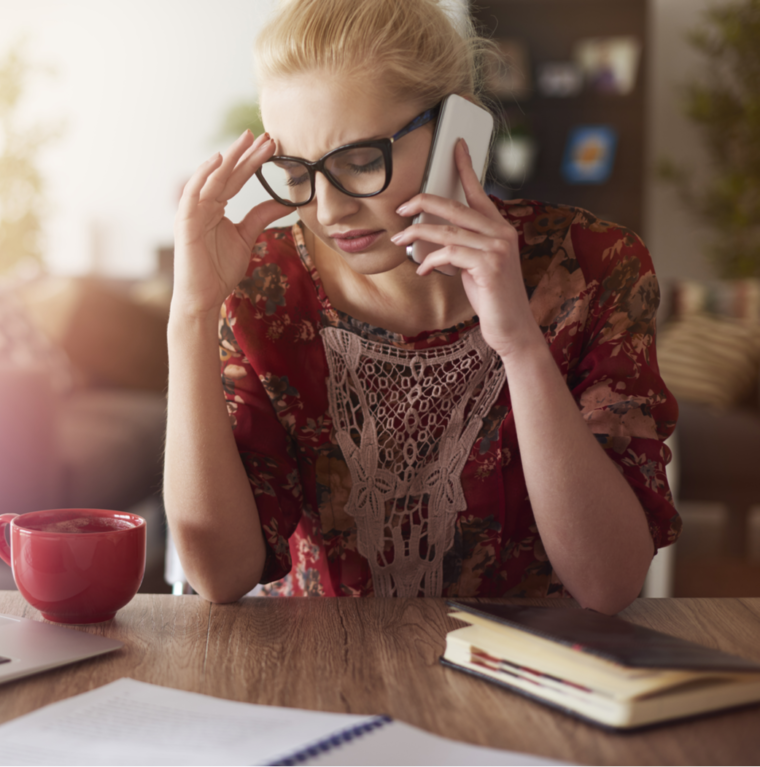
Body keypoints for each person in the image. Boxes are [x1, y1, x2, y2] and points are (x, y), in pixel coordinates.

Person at [163, 0, 679, 614]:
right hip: (314, 679)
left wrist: (518, 342)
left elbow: (608, 582)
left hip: (528, 683)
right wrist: (190, 315)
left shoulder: (595, 265)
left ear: (458, 129)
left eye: (359, 162)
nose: (328, 211)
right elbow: (221, 575)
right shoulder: (262, 283)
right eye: (297, 171)